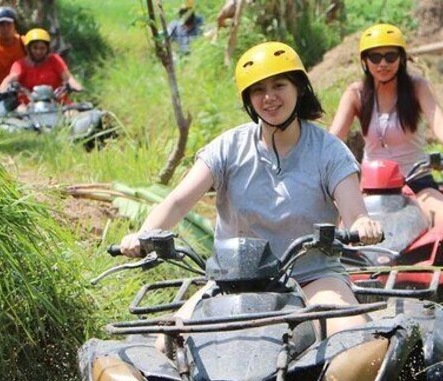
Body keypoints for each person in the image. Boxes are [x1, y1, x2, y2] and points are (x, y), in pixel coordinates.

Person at [120, 41, 382, 335]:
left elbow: (354, 212)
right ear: (248, 99)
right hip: (232, 283)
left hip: (313, 278)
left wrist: (364, 223)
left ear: (299, 88)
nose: (269, 97)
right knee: (167, 341)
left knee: (352, 334)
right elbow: (178, 202)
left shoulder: (329, 151)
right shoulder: (227, 147)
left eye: (279, 85)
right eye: (257, 90)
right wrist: (144, 235)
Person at [329, 23, 443, 227]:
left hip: (416, 180)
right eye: (375, 57)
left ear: (402, 58)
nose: (383, 64)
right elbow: (333, 139)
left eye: (390, 56)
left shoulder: (417, 87)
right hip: (371, 185)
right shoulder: (356, 94)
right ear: (364, 61)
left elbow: (437, 120)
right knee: (339, 231)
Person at [0, 28, 83, 109]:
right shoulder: (20, 64)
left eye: (42, 48)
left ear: (47, 49)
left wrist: (76, 87)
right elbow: (11, 77)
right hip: (29, 106)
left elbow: (68, 77)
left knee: (74, 113)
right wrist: (4, 88)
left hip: (57, 104)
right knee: (18, 111)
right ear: (28, 48)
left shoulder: (54, 60)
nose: (38, 51)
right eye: (35, 48)